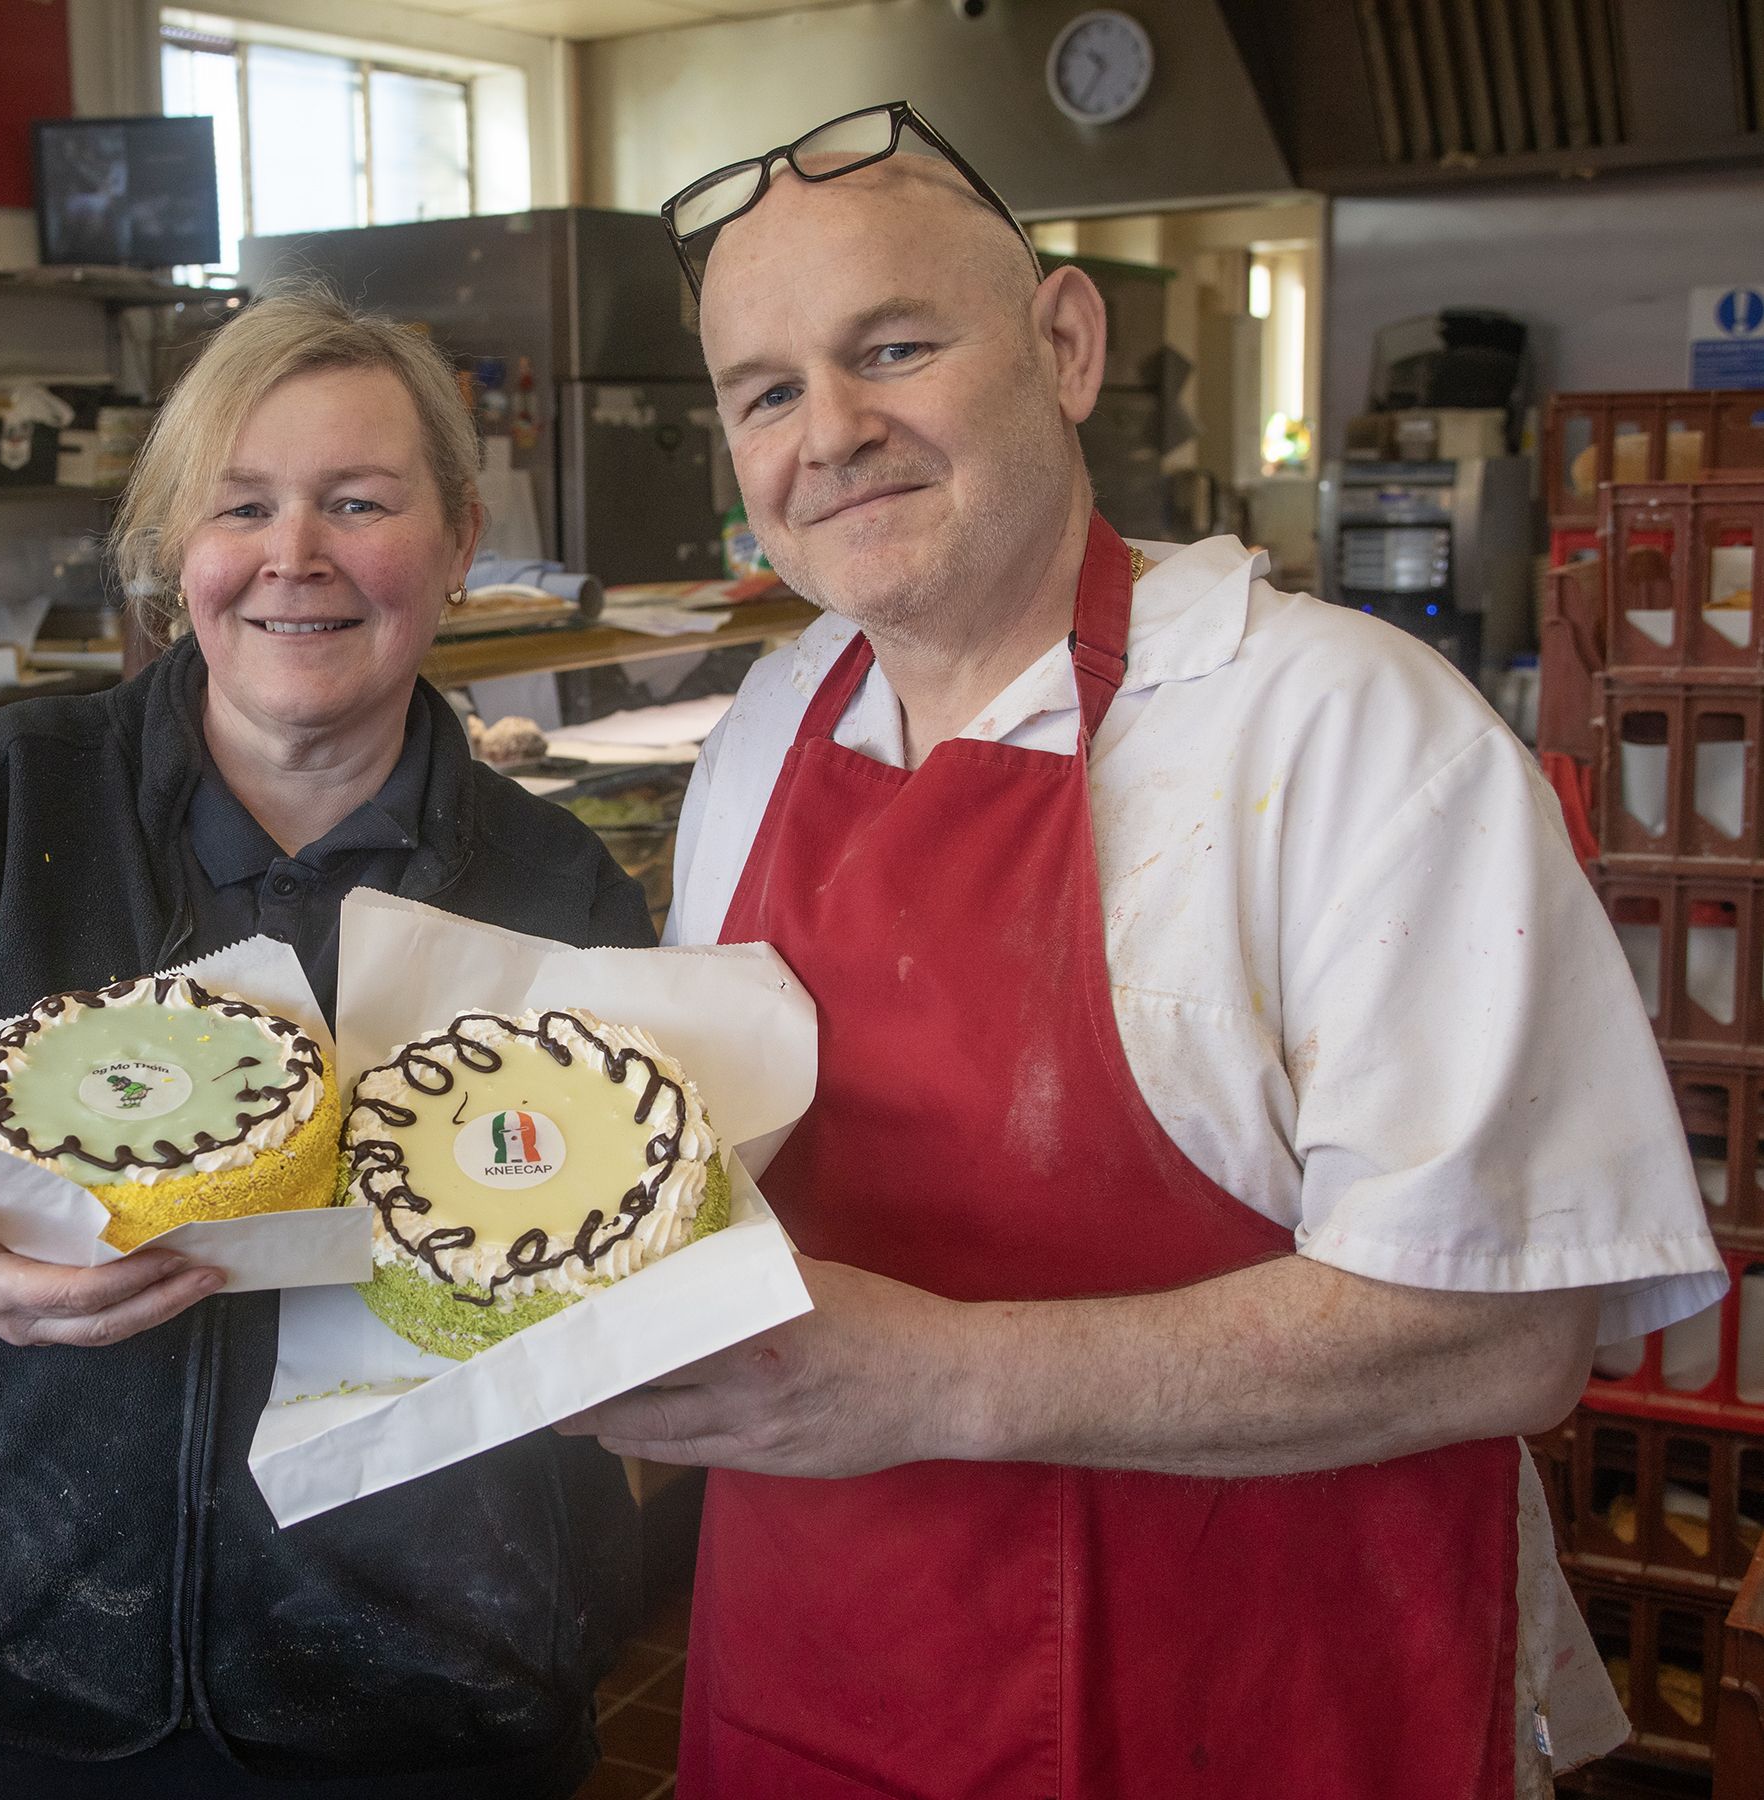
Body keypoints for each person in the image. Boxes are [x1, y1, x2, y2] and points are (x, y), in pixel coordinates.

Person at [560, 103, 1725, 1798]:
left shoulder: (1343, 728)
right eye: (768, 390)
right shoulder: (765, 724)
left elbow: (1508, 1334)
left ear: (1064, 345)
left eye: (894, 346)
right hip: (824, 1681)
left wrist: (937, 1377)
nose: (834, 432)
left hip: (1258, 1702)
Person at [0, 288, 652, 1798]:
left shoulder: (556, 887)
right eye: (243, 505)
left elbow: (612, 1250)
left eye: (358, 502)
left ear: (457, 537)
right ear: (179, 545)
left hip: (413, 1705)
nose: (295, 556)